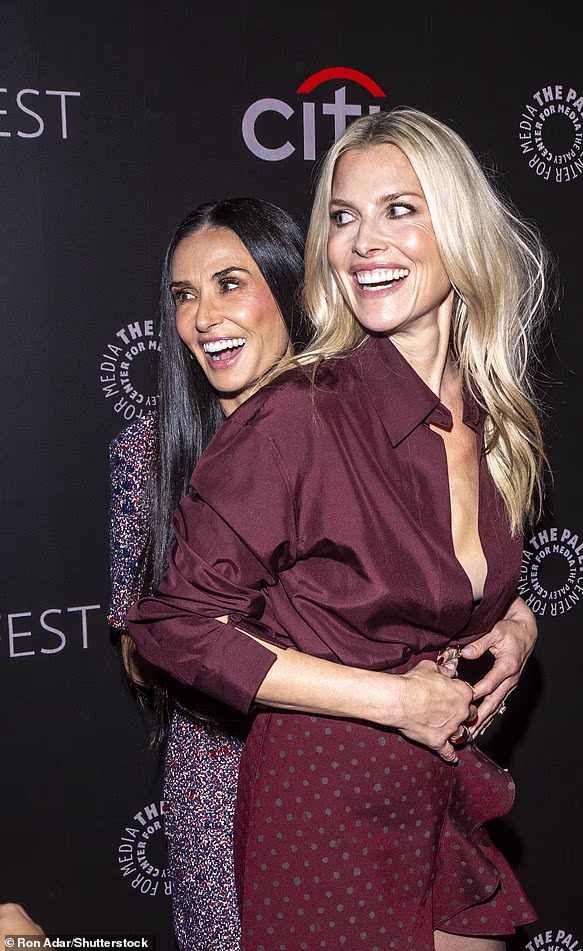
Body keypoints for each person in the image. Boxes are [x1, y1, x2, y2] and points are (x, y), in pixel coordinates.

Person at [127, 106, 549, 951]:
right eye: (344, 219)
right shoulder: (302, 416)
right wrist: (397, 700)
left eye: (399, 209)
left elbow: (450, 587)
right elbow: (172, 625)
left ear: (458, 229)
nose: (363, 243)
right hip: (324, 807)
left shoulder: (489, 420)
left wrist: (516, 624)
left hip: (447, 794)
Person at [108, 197, 309, 950]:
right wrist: (192, 640)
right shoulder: (147, 452)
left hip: (351, 766)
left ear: (290, 287)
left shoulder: (360, 433)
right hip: (216, 779)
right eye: (185, 295)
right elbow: (136, 641)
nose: (203, 317)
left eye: (230, 283)